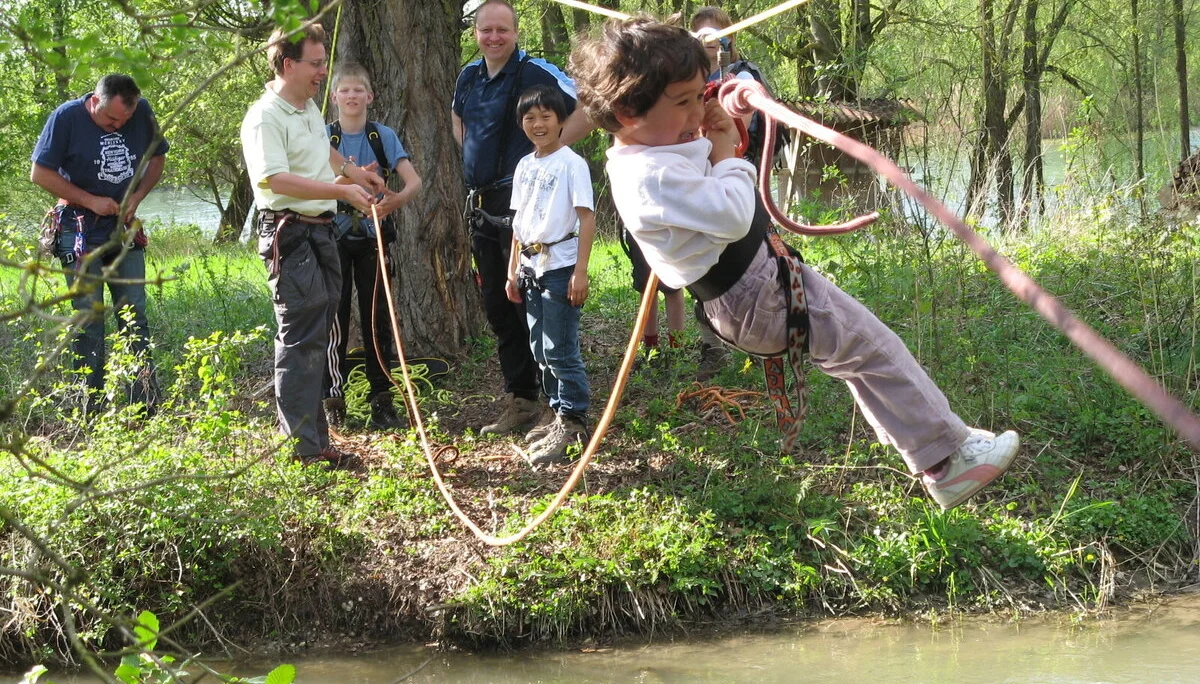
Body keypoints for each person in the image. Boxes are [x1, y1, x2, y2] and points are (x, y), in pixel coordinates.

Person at [569, 18, 1021, 511]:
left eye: (699, 97)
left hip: (753, 291)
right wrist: (723, 151)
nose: (697, 111)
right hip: (757, 294)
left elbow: (693, 149)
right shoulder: (649, 178)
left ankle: (935, 454)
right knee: (873, 349)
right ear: (626, 111)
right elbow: (737, 213)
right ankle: (948, 459)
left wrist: (721, 102)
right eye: (684, 102)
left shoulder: (648, 150)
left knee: (862, 358)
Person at [240, 24, 385, 469]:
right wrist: (341, 193)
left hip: (321, 231)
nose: (324, 71)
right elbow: (274, 180)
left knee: (319, 333)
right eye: (317, 63)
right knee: (301, 337)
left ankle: (313, 440)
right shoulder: (265, 115)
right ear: (289, 64)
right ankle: (303, 450)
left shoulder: (305, 110)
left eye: (324, 62)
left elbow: (325, 156)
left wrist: (355, 175)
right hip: (289, 234)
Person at [452, 0, 591, 436]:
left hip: (531, 209)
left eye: (502, 30)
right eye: (485, 30)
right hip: (483, 208)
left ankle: (560, 406)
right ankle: (521, 399)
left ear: (515, 32)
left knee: (535, 310)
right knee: (499, 304)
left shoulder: (536, 73)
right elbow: (457, 118)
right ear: (475, 33)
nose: (494, 37)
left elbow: (590, 106)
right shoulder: (468, 77)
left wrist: (548, 154)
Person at [30, 74, 168, 415]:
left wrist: (136, 197)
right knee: (89, 319)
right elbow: (40, 173)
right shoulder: (66, 117)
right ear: (95, 101)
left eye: (124, 120)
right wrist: (90, 200)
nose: (117, 125)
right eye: (110, 119)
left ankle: (145, 403)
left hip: (123, 230)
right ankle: (89, 409)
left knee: (134, 312)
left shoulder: (141, 112)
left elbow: (157, 159)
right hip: (77, 229)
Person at [321, 63, 423, 431]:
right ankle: (333, 399)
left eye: (357, 90)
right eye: (344, 90)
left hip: (371, 238)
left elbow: (412, 181)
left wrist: (391, 203)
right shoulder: (323, 137)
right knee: (335, 321)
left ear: (369, 96)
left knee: (376, 318)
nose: (351, 96)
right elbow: (312, 181)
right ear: (334, 97)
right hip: (331, 237)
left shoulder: (382, 136)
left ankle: (382, 400)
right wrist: (349, 176)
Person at [504, 85, 596, 465]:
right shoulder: (526, 165)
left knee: (560, 347)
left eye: (546, 116)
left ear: (561, 120)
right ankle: (557, 411)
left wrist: (580, 271)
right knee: (540, 347)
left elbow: (587, 218)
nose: (538, 124)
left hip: (560, 267)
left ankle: (574, 419)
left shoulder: (571, 164)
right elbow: (518, 222)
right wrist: (512, 269)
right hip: (529, 267)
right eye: (530, 118)